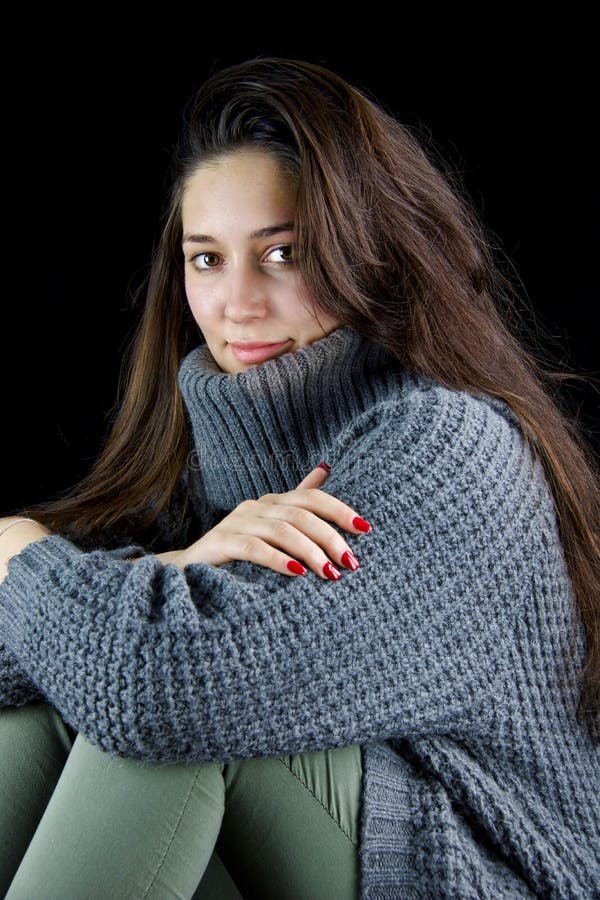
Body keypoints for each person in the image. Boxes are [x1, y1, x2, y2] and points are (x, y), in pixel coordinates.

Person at [0, 56, 598, 899]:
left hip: (476, 868)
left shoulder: (452, 452)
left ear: (372, 251)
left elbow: (169, 684)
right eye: (206, 259)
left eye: (282, 253)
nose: (236, 303)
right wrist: (167, 570)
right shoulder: (205, 449)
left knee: (161, 731)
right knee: (38, 713)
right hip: (324, 841)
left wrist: (18, 549)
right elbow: (43, 660)